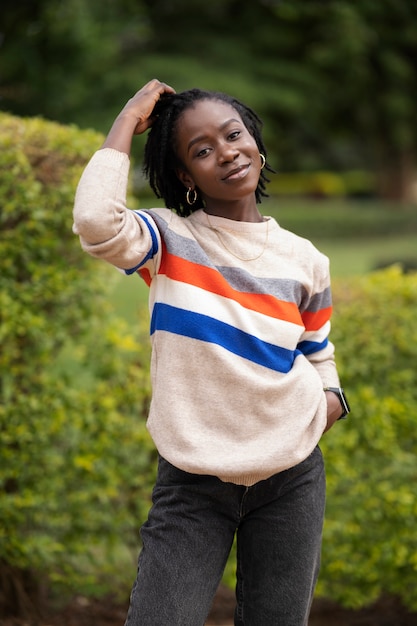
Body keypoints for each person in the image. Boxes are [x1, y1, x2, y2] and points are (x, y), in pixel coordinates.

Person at [73, 78, 349, 626]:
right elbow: (95, 222)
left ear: (255, 143)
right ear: (184, 175)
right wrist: (128, 118)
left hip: (292, 477)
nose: (225, 152)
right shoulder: (166, 239)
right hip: (193, 481)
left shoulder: (306, 259)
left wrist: (329, 399)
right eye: (202, 151)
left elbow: (317, 348)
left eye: (232, 135)